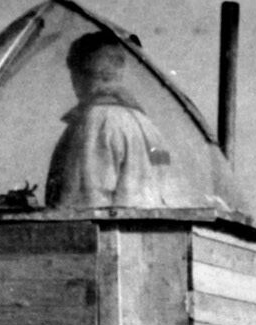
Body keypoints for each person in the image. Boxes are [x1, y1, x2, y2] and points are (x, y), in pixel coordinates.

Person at [44, 31, 177, 208]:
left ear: (78, 73)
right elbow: (167, 187)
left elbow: (84, 203)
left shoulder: (95, 122)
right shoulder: (148, 126)